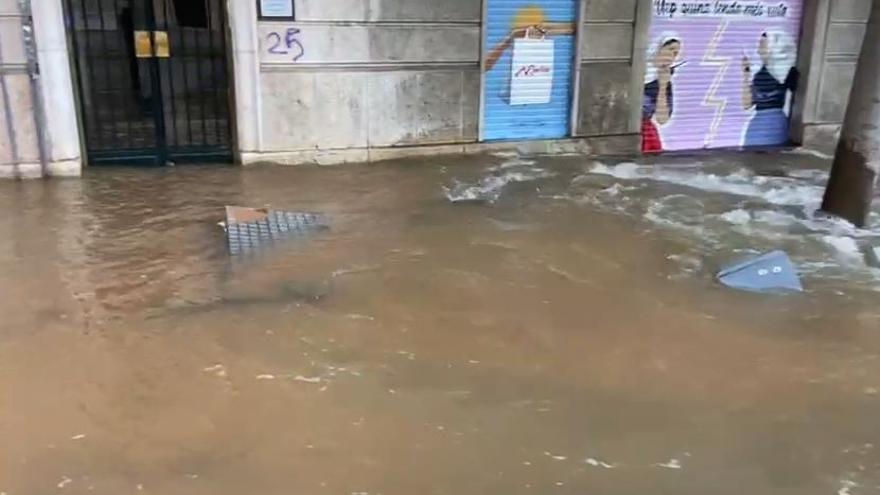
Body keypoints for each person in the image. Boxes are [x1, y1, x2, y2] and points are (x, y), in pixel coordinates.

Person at [741, 30, 799, 147]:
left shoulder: (788, 72)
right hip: (757, 125)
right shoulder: (759, 75)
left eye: (763, 45)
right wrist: (746, 75)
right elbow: (747, 104)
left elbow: (800, 98)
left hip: (775, 124)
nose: (758, 50)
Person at [642, 36, 681, 153]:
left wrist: (663, 85)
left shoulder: (664, 82)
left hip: (645, 132)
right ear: (658, 48)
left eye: (676, 53)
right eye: (670, 49)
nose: (672, 56)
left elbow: (662, 119)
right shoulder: (634, 70)